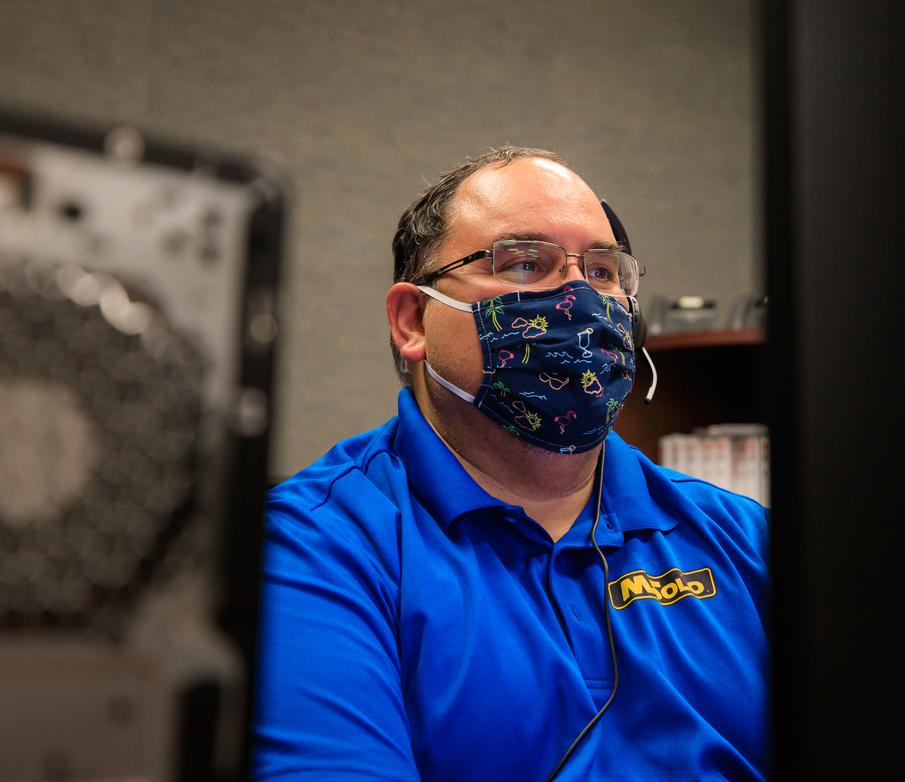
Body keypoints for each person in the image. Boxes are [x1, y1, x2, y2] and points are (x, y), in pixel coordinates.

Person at [253, 147, 768, 780]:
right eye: (526, 264)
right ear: (412, 320)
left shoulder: (746, 541)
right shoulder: (312, 547)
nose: (580, 297)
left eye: (604, 272)